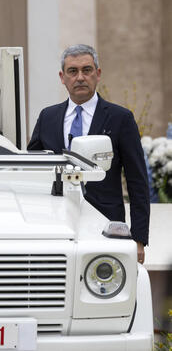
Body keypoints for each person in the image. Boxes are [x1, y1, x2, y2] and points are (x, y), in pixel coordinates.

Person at [28, 44, 149, 263]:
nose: (80, 77)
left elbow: (137, 181)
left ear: (98, 74)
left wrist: (139, 238)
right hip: (55, 227)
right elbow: (33, 170)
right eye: (73, 71)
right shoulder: (48, 117)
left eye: (87, 70)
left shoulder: (120, 118)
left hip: (107, 227)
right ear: (62, 77)